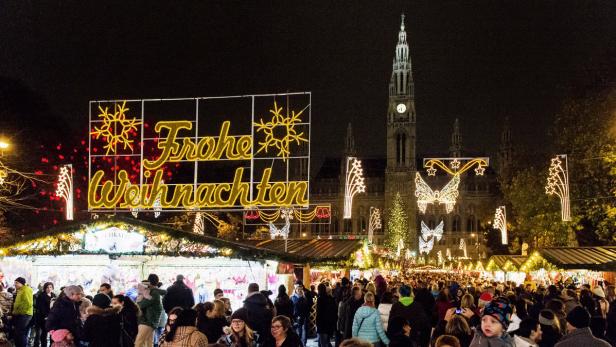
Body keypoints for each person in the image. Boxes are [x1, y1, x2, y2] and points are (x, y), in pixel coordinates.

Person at [135, 280, 164, 347]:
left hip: (147, 322)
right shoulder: (147, 295)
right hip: (149, 322)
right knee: (148, 343)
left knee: (138, 343)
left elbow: (139, 306)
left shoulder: (150, 295)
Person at [11, 277, 33, 347]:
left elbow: (28, 303)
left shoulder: (26, 290)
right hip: (21, 314)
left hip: (25, 314)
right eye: (15, 283)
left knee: (20, 333)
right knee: (18, 333)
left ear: (22, 283)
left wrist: (20, 312)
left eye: (17, 283)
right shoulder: (20, 290)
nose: (15, 284)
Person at [34, 282, 55, 347]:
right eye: (47, 287)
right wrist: (46, 316)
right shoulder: (41, 296)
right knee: (44, 333)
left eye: (50, 287)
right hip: (43, 317)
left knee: (52, 333)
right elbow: (40, 307)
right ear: (45, 288)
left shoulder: (53, 295)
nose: (49, 289)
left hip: (52, 317)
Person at [316, 283, 337, 347]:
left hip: (322, 325)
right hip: (329, 324)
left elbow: (319, 313)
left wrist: (317, 324)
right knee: (326, 341)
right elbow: (334, 311)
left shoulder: (320, 299)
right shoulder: (331, 299)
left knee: (323, 343)